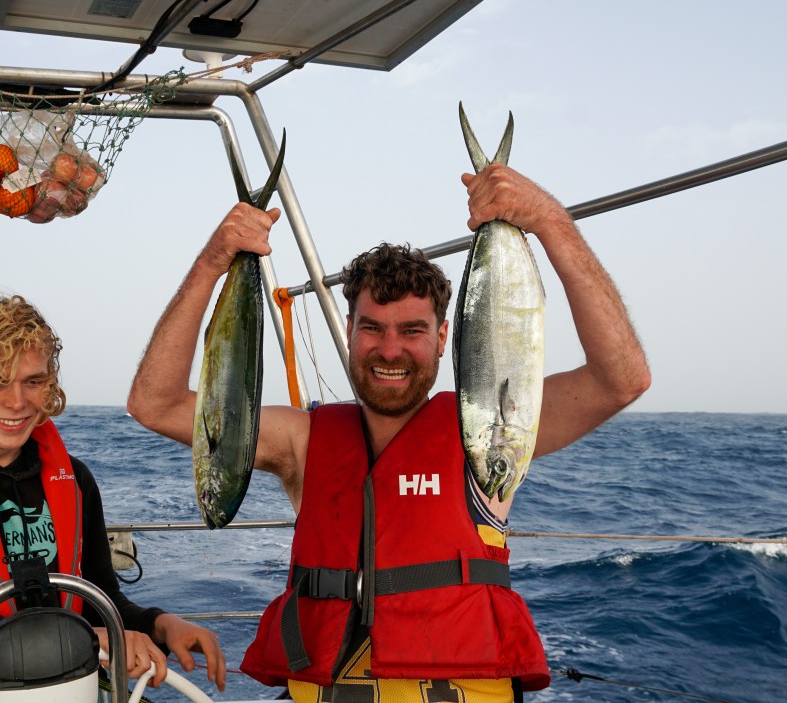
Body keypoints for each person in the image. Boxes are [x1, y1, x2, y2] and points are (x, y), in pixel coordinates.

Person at [128, 162, 651, 702]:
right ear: (350, 330)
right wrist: (213, 262)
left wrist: (548, 220)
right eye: (372, 328)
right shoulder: (302, 441)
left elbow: (621, 379)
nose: (390, 350)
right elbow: (154, 404)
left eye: (412, 330)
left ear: (443, 337)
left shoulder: (491, 428)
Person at [0, 294, 226, 702]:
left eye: (33, 381)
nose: (17, 402)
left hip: (64, 686)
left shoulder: (75, 480)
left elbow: (97, 600)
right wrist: (89, 638)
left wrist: (159, 625)